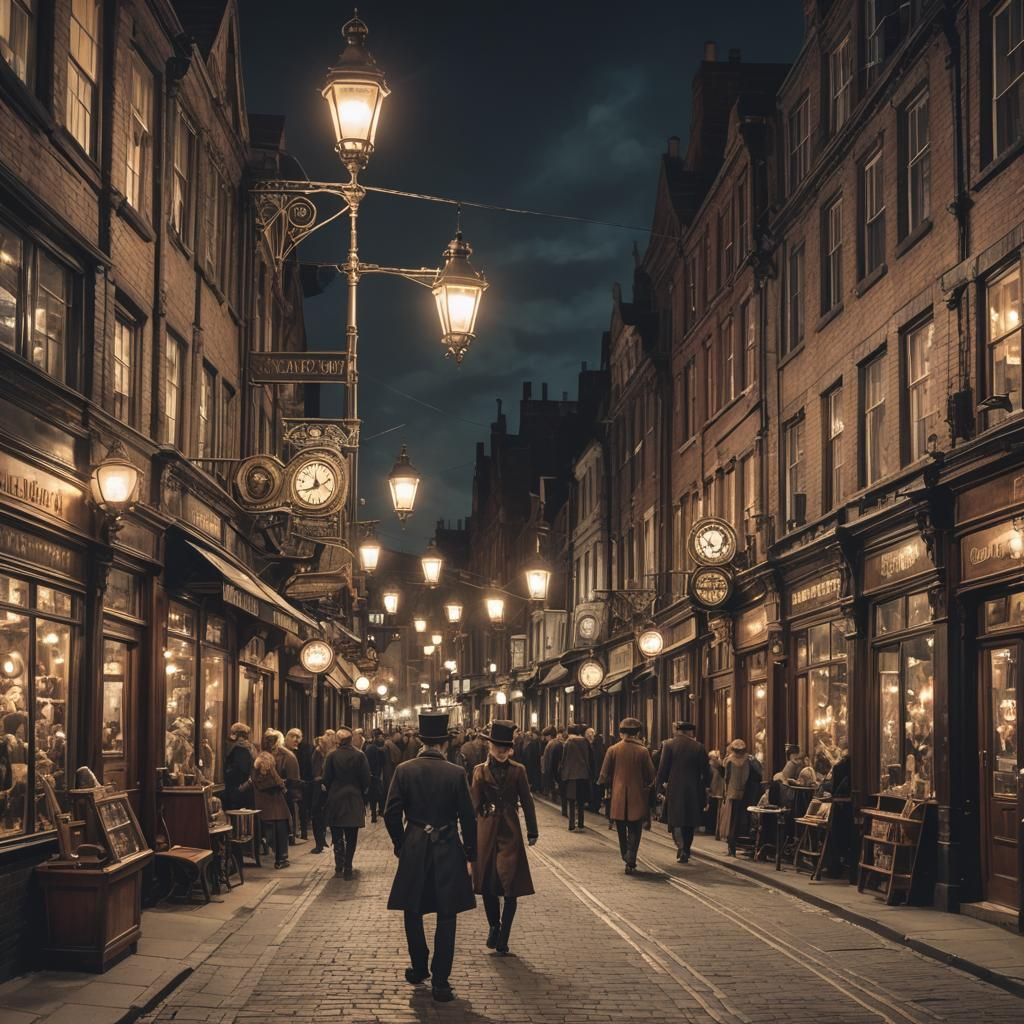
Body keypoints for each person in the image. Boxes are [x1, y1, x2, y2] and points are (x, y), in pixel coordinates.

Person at [384, 710, 477, 1004]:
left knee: (412, 909)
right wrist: (470, 853)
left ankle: (420, 965)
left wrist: (402, 842)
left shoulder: (404, 770)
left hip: (414, 844)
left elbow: (390, 813)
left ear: (422, 741)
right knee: (446, 914)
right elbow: (468, 818)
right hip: (448, 844)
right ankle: (440, 981)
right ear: (445, 744)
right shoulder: (456, 773)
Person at [470, 720, 538, 954]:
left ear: (510, 749)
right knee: (489, 884)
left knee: (511, 885)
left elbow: (527, 801)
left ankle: (504, 936)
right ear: (490, 747)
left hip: (510, 830)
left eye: (505, 747)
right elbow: (473, 804)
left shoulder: (518, 770)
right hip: (486, 830)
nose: (500, 751)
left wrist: (532, 830)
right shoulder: (479, 770)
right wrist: (469, 833)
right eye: (497, 746)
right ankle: (493, 926)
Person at [598, 717, 655, 873]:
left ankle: (625, 854)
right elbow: (651, 775)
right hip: (637, 797)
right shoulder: (643, 751)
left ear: (621, 733)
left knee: (621, 829)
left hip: (618, 797)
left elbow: (603, 775)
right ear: (637, 733)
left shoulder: (613, 749)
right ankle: (631, 857)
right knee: (635, 830)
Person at [657, 721, 710, 863]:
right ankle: (686, 848)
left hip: (675, 788)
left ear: (679, 731)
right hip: (694, 789)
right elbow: (706, 771)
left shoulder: (669, 745)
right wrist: (706, 788)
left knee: (675, 820)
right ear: (690, 732)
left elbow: (663, 769)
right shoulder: (699, 747)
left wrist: (658, 787)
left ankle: (680, 845)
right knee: (689, 822)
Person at [322, 727, 371, 878]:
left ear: (338, 740)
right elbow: (366, 779)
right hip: (354, 797)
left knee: (337, 835)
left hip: (336, 798)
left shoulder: (332, 756)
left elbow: (326, 779)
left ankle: (339, 865)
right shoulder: (360, 755)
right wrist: (362, 792)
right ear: (350, 740)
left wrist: (331, 789)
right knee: (351, 836)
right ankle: (348, 866)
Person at [243, 751, 291, 868]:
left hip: (263, 811)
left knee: (270, 835)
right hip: (280, 810)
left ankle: (266, 842)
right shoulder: (274, 775)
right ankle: (281, 860)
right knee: (281, 836)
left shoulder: (254, 776)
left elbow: (243, 788)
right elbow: (283, 788)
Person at [723, 738, 761, 857]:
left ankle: (732, 846)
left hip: (733, 793)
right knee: (744, 820)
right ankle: (744, 844)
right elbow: (759, 773)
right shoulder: (749, 759)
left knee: (732, 821)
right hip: (747, 793)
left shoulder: (729, 760)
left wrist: (726, 793)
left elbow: (726, 778)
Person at [265, 729, 301, 844]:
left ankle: (289, 836)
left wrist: (283, 786)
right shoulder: (268, 754)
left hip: (284, 792)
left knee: (286, 814)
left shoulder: (288, 756)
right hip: (272, 791)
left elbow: (293, 779)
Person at [560, 724, 592, 832]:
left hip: (571, 775)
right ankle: (581, 823)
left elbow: (564, 759)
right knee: (581, 801)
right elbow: (589, 758)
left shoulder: (568, 743)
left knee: (572, 801)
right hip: (583, 774)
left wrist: (562, 772)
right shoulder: (584, 742)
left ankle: (571, 824)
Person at [310, 732, 336, 853]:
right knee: (318, 816)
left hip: (323, 788)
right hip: (318, 789)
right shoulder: (318, 753)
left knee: (322, 816)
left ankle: (322, 842)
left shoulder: (328, 754)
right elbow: (316, 772)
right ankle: (320, 842)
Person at [286, 728, 314, 840]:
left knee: (303, 808)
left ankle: (303, 833)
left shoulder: (306, 750)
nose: (295, 739)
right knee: (291, 809)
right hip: (289, 784)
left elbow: (308, 767)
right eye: (292, 736)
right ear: (287, 737)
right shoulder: (285, 750)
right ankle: (292, 833)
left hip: (302, 783)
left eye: (298, 737)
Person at [222, 723, 256, 810]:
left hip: (239, 792)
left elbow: (240, 770)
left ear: (238, 735)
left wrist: (228, 774)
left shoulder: (241, 749)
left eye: (233, 733)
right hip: (242, 790)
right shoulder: (249, 748)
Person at [364, 728, 388, 822]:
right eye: (381, 736)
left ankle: (375, 813)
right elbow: (383, 762)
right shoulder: (375, 748)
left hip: (373, 774)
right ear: (377, 737)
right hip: (375, 774)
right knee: (378, 794)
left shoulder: (370, 747)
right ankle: (377, 812)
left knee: (374, 795)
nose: (382, 738)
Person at [586, 727, 607, 813]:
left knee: (595, 789)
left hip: (595, 771)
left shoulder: (593, 746)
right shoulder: (600, 744)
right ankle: (596, 805)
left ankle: (594, 806)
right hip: (599, 770)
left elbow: (593, 760)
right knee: (597, 789)